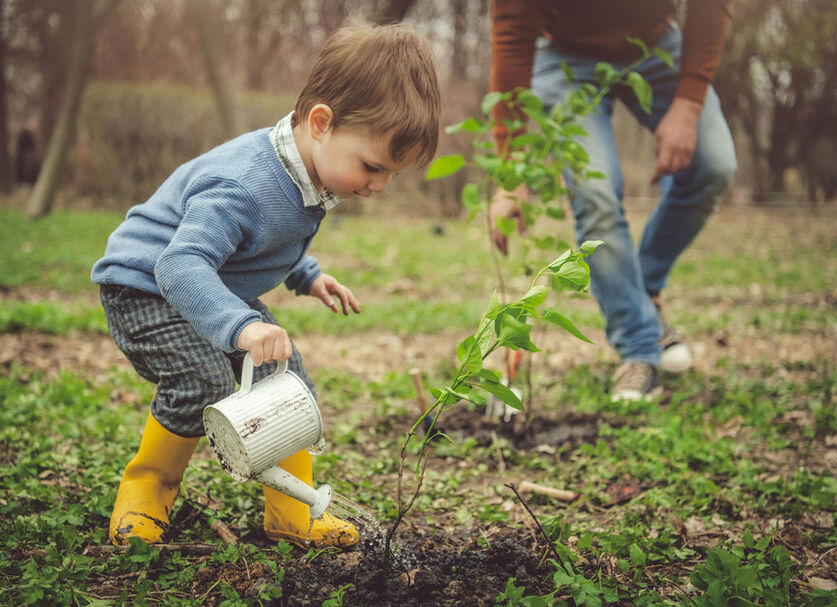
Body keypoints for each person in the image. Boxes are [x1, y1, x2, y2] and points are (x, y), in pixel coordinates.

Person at [91, 23, 440, 548]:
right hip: (146, 287)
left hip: (211, 284)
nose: (380, 186)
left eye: (393, 174)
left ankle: (292, 512)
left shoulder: (308, 172)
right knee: (202, 381)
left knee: (287, 383)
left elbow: (267, 239)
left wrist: (309, 275)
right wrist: (241, 324)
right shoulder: (242, 184)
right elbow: (180, 264)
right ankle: (146, 492)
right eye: (372, 167)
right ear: (321, 122)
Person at [489, 1, 737, 401]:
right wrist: (511, 170)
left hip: (658, 43)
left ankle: (646, 295)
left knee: (714, 165)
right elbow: (511, 34)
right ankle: (640, 349)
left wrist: (689, 103)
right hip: (564, 54)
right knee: (595, 192)